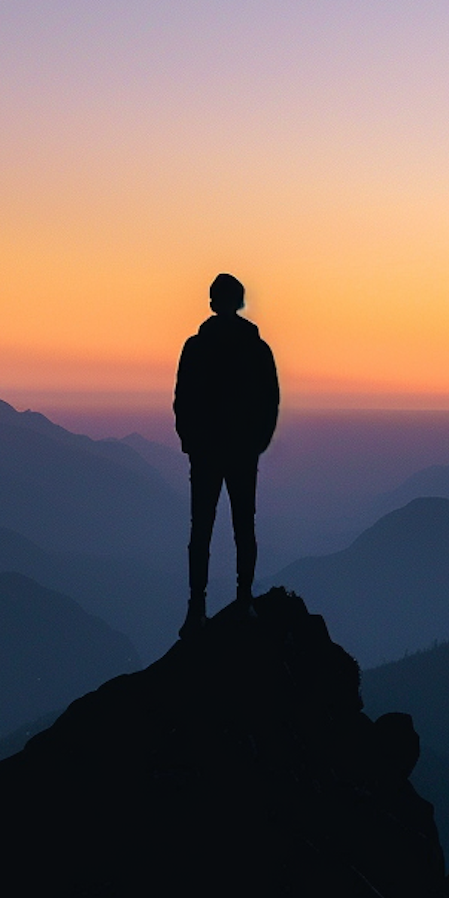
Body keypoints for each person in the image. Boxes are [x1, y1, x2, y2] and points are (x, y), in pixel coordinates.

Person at [173, 273, 280, 637]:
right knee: (243, 526)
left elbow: (182, 398)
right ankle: (244, 601)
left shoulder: (196, 346)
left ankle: (196, 608)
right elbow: (271, 399)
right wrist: (257, 442)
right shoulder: (256, 348)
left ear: (213, 302)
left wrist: (190, 440)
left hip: (206, 452)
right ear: (238, 301)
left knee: (201, 529)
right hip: (239, 451)